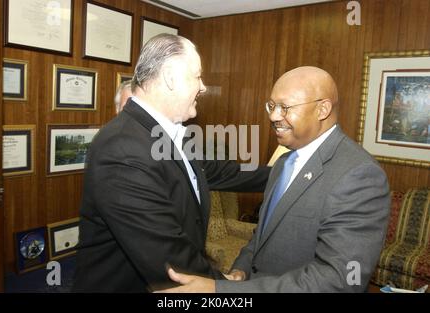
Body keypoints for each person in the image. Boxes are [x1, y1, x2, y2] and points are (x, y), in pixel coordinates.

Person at [159, 66, 391, 293]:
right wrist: (241, 271)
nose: (273, 116)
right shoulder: (283, 164)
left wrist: (221, 290)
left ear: (322, 110)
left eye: (285, 107)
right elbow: (262, 236)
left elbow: (339, 280)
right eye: (271, 106)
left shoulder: (359, 174)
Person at [72, 34, 270, 292]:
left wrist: (283, 173)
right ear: (170, 77)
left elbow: (221, 172)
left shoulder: (168, 133)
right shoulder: (123, 151)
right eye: (197, 76)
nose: (203, 87)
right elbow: (170, 259)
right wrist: (226, 288)